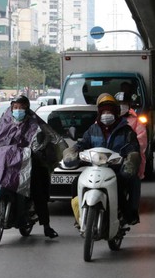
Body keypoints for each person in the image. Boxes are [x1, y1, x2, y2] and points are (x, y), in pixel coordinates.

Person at [0, 95, 62, 238]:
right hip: (7, 161)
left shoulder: (34, 123)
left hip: (29, 161)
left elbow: (46, 138)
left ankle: (46, 226)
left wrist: (37, 147)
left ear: (27, 108)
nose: (18, 110)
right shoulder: (5, 121)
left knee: (38, 191)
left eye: (21, 108)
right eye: (15, 107)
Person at [62, 93, 141, 224]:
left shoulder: (126, 131)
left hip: (116, 170)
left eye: (109, 111)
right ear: (99, 112)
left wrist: (130, 161)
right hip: (94, 168)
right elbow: (81, 144)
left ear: (116, 112)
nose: (106, 114)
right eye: (103, 111)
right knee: (76, 183)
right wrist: (72, 152)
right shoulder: (92, 130)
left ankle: (128, 214)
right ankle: (79, 215)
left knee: (122, 186)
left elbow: (133, 149)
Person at [115, 91, 148, 223]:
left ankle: (132, 211)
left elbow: (141, 141)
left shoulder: (135, 122)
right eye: (119, 104)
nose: (122, 106)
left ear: (129, 105)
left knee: (133, 180)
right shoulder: (105, 120)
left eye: (124, 103)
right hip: (108, 160)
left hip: (128, 160)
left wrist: (129, 153)